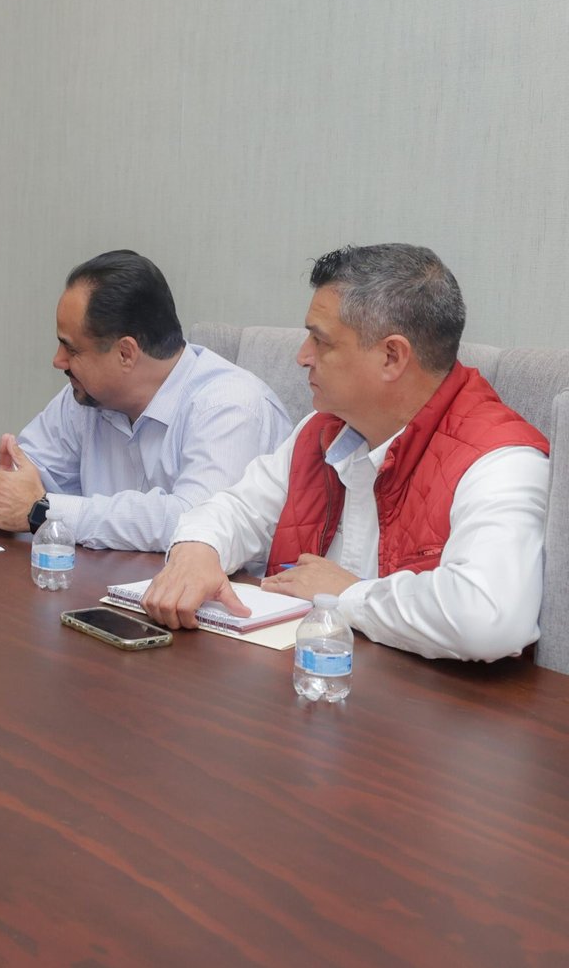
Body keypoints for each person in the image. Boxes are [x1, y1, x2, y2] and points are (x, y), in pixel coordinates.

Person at [143, 244, 549, 662]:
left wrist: (347, 595)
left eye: (320, 341)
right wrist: (196, 550)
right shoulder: (322, 430)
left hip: (426, 698)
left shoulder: (501, 461)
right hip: (302, 681)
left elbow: (488, 618)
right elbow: (236, 509)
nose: (302, 357)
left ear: (391, 356)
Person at [0, 249, 290, 550]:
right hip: (108, 588)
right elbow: (27, 475)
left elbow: (197, 523)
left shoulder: (229, 406)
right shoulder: (85, 398)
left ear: (125, 353)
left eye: (71, 349)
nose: (57, 361)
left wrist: (42, 511)